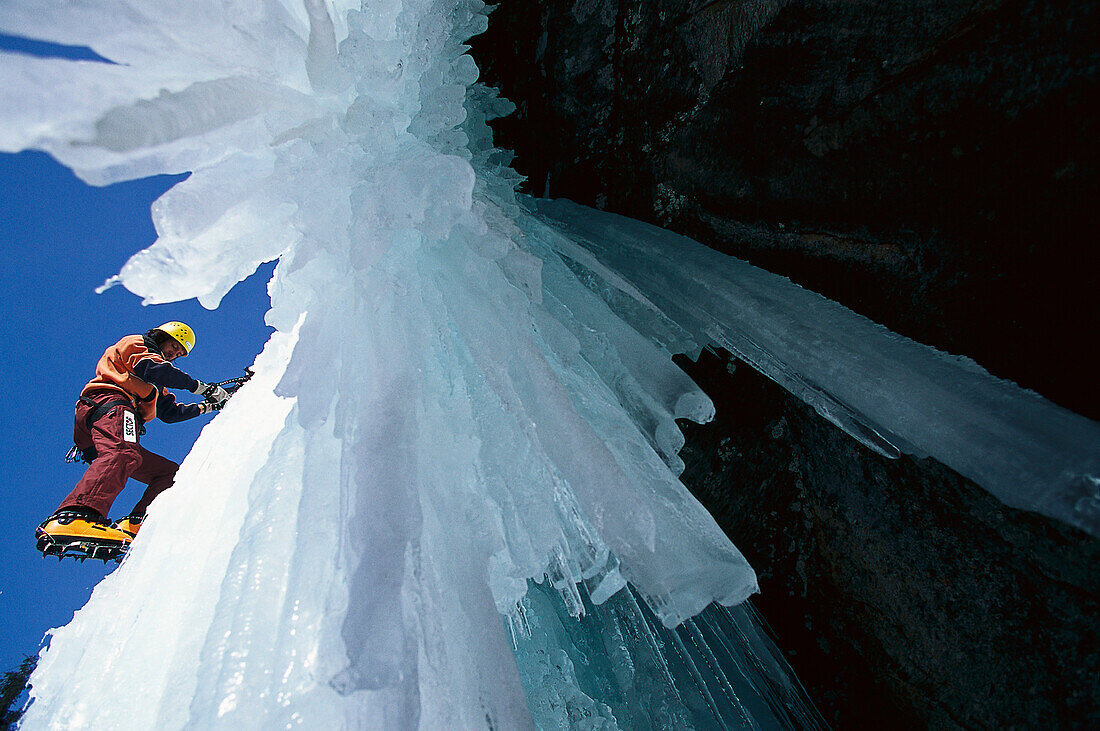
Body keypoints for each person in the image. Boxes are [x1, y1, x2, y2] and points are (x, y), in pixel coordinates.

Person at [36, 321, 231, 558]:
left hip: (105, 427)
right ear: (161, 337)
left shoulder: (154, 384)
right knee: (122, 453)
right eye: (174, 346)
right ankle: (74, 516)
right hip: (110, 403)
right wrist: (202, 388)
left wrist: (207, 406)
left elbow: (169, 413)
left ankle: (135, 523)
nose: (174, 354)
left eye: (179, 354)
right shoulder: (137, 345)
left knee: (169, 474)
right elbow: (154, 368)